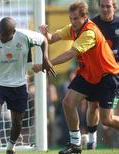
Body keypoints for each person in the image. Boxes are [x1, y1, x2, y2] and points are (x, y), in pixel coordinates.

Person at [34, 1, 119, 154]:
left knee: (107, 119)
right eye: (70, 18)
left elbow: (70, 54)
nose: (72, 22)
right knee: (67, 102)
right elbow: (52, 38)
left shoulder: (89, 32)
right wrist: (45, 33)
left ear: (84, 17)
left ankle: (87, 141)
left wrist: (45, 64)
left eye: (75, 19)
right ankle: (76, 145)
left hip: (107, 77)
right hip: (88, 74)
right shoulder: (73, 28)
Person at [0, 17, 56, 154]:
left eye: (4, 35)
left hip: (18, 85)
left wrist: (45, 58)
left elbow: (43, 40)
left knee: (17, 122)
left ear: (13, 32)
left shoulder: (24, 36)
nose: (1, 37)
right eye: (0, 33)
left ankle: (10, 148)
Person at [86, 0, 119, 149]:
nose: (105, 9)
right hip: (95, 74)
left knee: (107, 119)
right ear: (99, 7)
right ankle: (91, 141)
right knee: (92, 106)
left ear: (114, 7)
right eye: (102, 6)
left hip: (114, 76)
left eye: (108, 6)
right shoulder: (91, 25)